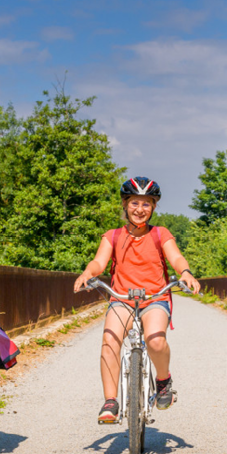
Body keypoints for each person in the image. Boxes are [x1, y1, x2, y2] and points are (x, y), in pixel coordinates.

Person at [73, 177, 201, 423]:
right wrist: (89, 273)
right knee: (110, 339)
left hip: (155, 298)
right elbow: (100, 261)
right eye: (134, 203)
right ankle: (110, 401)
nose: (140, 209)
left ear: (153, 207)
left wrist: (185, 272)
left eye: (146, 204)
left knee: (155, 341)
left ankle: (163, 381)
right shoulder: (112, 236)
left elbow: (176, 257)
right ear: (125, 204)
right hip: (122, 299)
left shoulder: (160, 234)